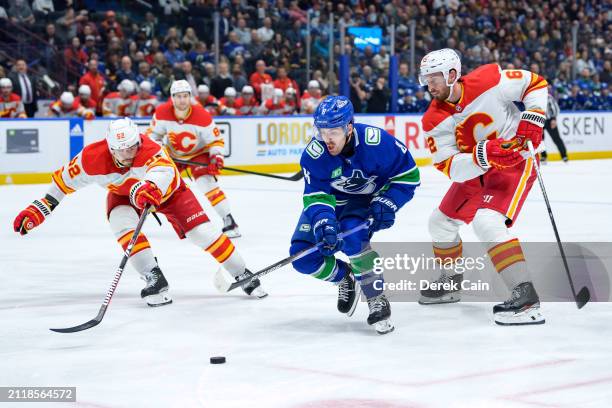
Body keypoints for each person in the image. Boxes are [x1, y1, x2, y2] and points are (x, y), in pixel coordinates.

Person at [13, 118, 266, 306]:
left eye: (133, 146)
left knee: (202, 233)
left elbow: (163, 173)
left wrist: (149, 187)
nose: (129, 153)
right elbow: (61, 183)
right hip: (124, 195)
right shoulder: (91, 159)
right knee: (120, 223)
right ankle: (153, 276)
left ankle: (241, 272)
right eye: (122, 149)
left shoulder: (151, 150)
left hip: (169, 193)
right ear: (111, 147)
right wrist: (40, 209)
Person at [418, 48, 548, 325]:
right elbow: (449, 166)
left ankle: (525, 298)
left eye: (435, 78)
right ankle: (451, 283)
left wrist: (534, 115)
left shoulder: (488, 80)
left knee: (487, 221)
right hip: (478, 170)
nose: (429, 85)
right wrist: (484, 155)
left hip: (515, 162)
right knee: (439, 223)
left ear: (453, 74)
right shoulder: (433, 118)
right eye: (426, 79)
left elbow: (534, 83)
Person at [289, 96, 420, 334]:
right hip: (331, 202)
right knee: (301, 257)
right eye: (322, 131)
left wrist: (388, 201)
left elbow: (408, 176)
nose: (327, 138)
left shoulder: (377, 142)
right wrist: (323, 222)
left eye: (334, 132)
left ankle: (376, 298)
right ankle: (343, 277)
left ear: (349, 127)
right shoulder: (315, 154)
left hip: (361, 202)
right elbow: (316, 196)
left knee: (354, 242)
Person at [149, 80, 241, 238]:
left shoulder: (202, 116)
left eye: (185, 96)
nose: (182, 100)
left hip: (198, 154)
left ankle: (229, 220)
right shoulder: (161, 113)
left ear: (190, 96)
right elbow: (152, 135)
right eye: (178, 96)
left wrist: (216, 157)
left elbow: (215, 141)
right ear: (172, 97)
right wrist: (160, 149)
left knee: (207, 184)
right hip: (173, 156)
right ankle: (181, 224)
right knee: (163, 188)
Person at [541, 85, 568, 163]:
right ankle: (544, 156)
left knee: (556, 138)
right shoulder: (535, 97)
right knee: (539, 140)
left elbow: (555, 109)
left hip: (549, 120)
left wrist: (553, 119)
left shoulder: (549, 97)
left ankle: (564, 155)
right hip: (540, 121)